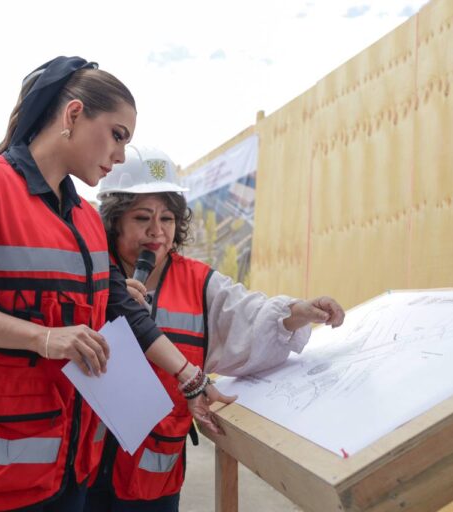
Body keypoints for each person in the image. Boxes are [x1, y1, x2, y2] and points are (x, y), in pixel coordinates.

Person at [0, 56, 231, 512]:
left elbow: (118, 309)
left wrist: (190, 379)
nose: (122, 155)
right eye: (117, 135)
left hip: (72, 463)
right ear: (73, 116)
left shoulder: (86, 219)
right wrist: (43, 338)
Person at [85, 146, 345, 511]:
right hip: (83, 471)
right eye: (142, 218)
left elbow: (248, 316)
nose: (156, 232)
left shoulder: (198, 282)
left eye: (168, 219)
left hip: (153, 476)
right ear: (114, 221)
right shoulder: (87, 270)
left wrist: (297, 312)